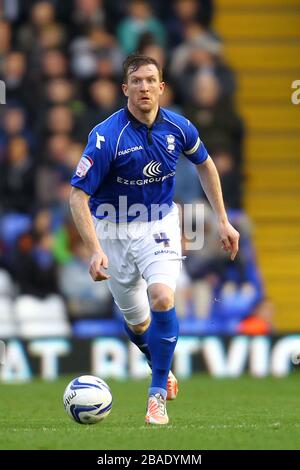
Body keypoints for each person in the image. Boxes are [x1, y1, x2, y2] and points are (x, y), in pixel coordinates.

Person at [69, 54, 239, 425]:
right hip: (112, 231)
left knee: (162, 295)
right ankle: (158, 362)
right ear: (125, 88)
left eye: (151, 80)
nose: (144, 87)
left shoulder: (179, 128)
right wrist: (95, 250)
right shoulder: (105, 137)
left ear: (161, 87)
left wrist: (223, 220)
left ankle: (156, 395)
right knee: (138, 322)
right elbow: (77, 195)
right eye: (137, 81)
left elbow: (205, 164)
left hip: (158, 224)